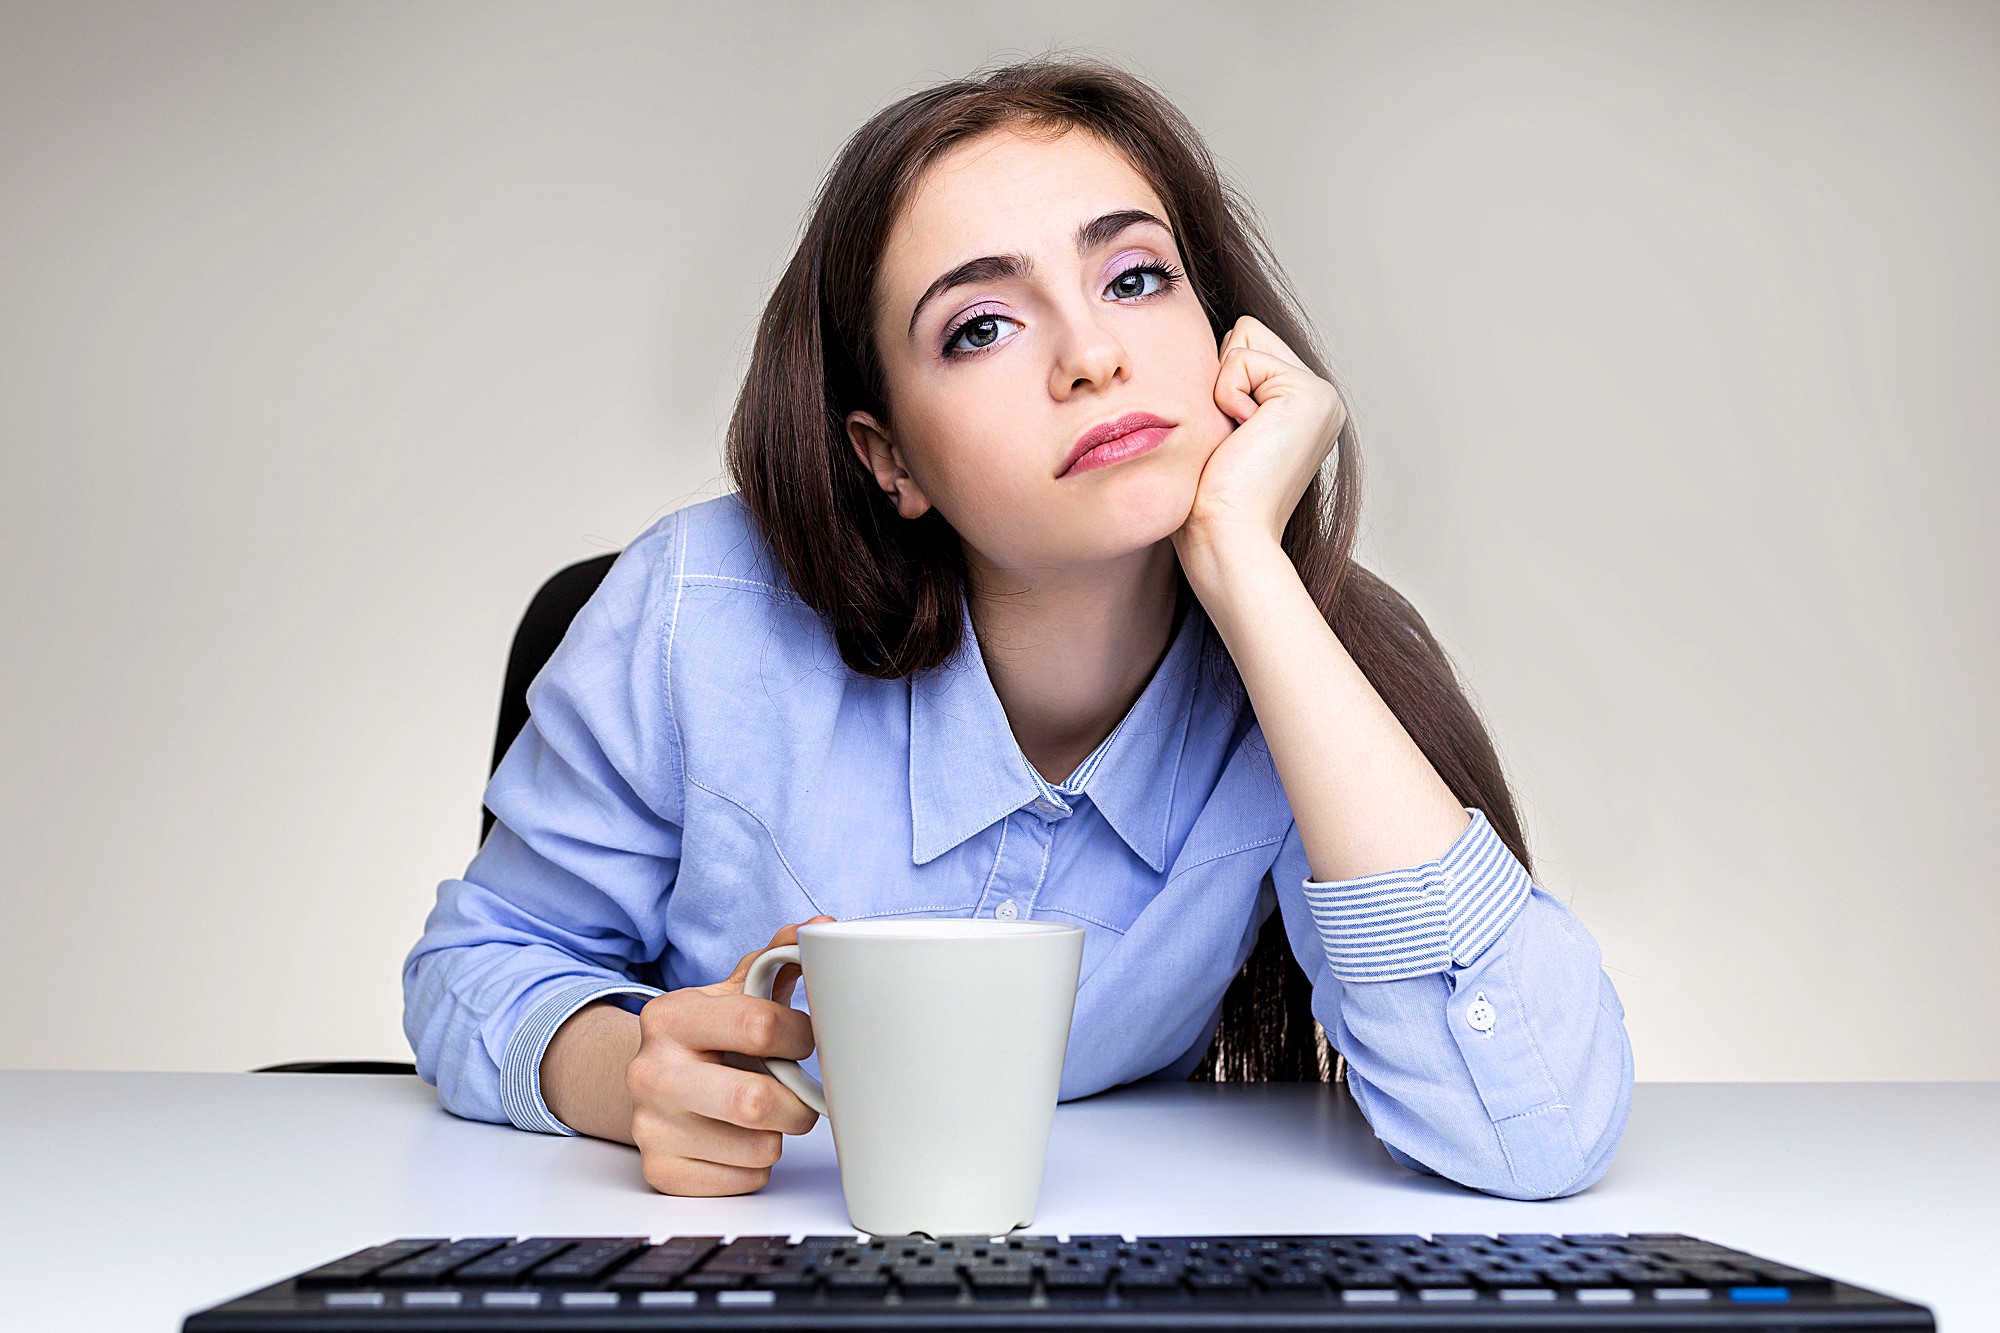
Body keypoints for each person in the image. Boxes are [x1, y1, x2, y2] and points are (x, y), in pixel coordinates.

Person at [403, 53, 1633, 1203]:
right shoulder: (697, 616)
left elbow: (1532, 1129)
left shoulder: (1298, 667)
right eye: (980, 326)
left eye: (1136, 278)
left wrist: (1248, 572)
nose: (1092, 354)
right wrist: (617, 1077)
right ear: (890, 460)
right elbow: (477, 965)